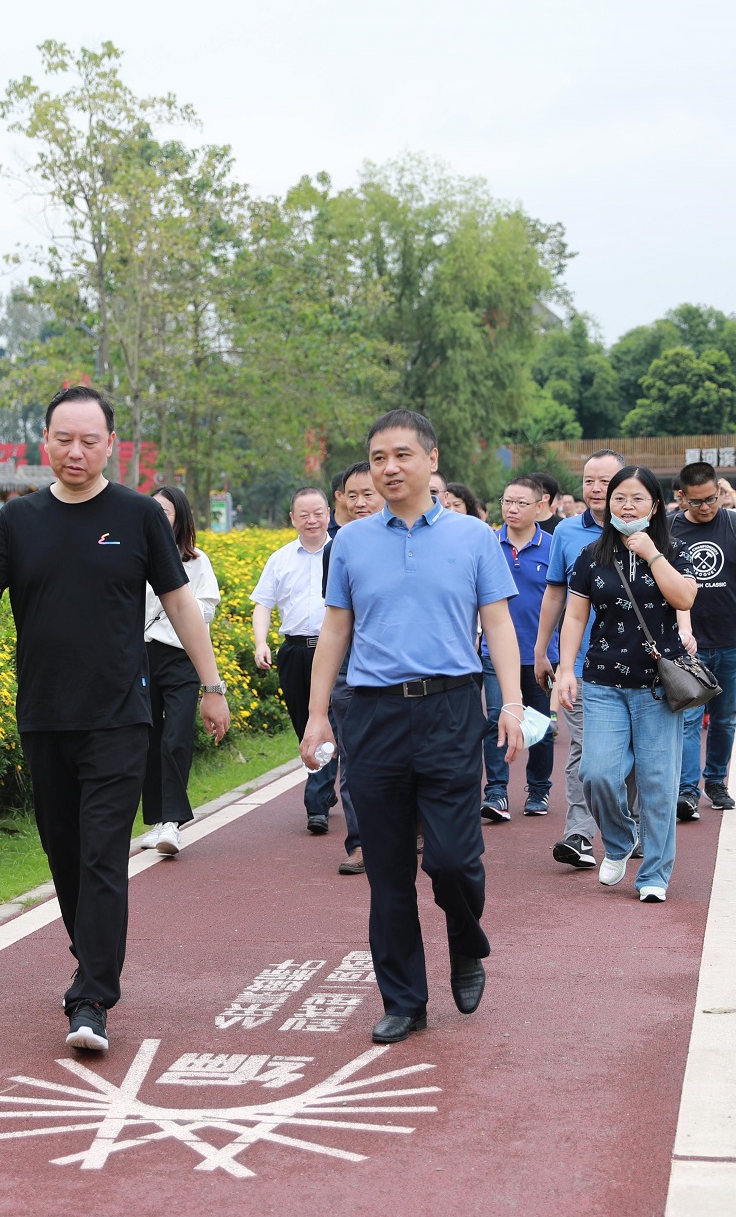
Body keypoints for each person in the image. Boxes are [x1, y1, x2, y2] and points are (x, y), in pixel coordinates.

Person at [0, 385, 232, 1055]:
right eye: (64, 438)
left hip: (118, 717)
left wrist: (211, 685)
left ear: (110, 445)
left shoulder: (137, 515)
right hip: (44, 715)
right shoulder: (19, 519)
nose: (76, 451)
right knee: (64, 854)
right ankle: (90, 952)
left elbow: (180, 603)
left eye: (90, 440)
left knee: (102, 855)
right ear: (45, 441)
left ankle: (91, 996)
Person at [303, 409, 524, 1044]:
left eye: (402, 455)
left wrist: (511, 703)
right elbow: (335, 630)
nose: (389, 467)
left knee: (453, 860)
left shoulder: (473, 537)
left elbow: (498, 623)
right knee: (388, 868)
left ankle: (466, 939)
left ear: (431, 460)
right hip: (372, 714)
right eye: (378, 458)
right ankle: (404, 1000)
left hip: (450, 710)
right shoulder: (351, 543)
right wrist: (317, 715)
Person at [552, 465, 698, 901]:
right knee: (596, 773)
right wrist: (565, 670)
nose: (627, 506)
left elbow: (684, 598)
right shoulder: (591, 555)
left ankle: (654, 875)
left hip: (658, 687)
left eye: (637, 499)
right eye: (620, 498)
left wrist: (652, 554)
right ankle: (618, 842)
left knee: (657, 785)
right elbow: (575, 616)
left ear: (654, 506)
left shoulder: (675, 551)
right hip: (603, 683)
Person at [534, 449, 626, 870]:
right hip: (582, 663)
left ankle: (630, 825)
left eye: (605, 481)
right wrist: (543, 650)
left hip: (637, 665)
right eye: (589, 480)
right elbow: (555, 593)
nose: (595, 488)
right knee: (586, 748)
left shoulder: (649, 530)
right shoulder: (568, 532)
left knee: (632, 753)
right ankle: (579, 834)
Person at [672, 461, 736, 818]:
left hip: (731, 638)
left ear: (719, 491)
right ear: (682, 496)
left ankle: (716, 781)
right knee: (688, 718)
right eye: (696, 501)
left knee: (724, 718)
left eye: (711, 499)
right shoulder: (669, 528)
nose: (705, 507)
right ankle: (687, 791)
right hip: (686, 643)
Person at [251, 487, 339, 836]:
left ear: (329, 513)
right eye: (304, 515)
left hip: (335, 651)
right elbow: (263, 604)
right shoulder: (281, 559)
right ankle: (324, 785)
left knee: (328, 721)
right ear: (292, 519)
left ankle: (316, 803)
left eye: (318, 513)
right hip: (294, 652)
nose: (312, 520)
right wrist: (261, 642)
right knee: (304, 724)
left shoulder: (342, 552)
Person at [142, 486, 221, 856]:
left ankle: (172, 822)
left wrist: (177, 601)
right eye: (154, 509)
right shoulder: (136, 555)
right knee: (147, 738)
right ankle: (157, 819)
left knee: (176, 736)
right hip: (141, 655)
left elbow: (207, 609)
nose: (159, 517)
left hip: (181, 656)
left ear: (180, 518)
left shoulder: (196, 560)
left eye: (166, 512)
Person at [482, 475, 557, 822]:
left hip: (540, 654)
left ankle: (538, 790)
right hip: (495, 653)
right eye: (507, 501)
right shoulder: (488, 544)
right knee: (495, 720)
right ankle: (496, 792)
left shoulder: (553, 547)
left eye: (521, 503)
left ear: (540, 506)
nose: (511, 508)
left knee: (539, 725)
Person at [319, 462, 381, 874]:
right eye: (352, 494)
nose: (359, 502)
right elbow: (336, 620)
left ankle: (411, 827)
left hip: (401, 672)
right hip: (350, 670)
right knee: (354, 759)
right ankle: (360, 842)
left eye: (368, 494)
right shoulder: (337, 547)